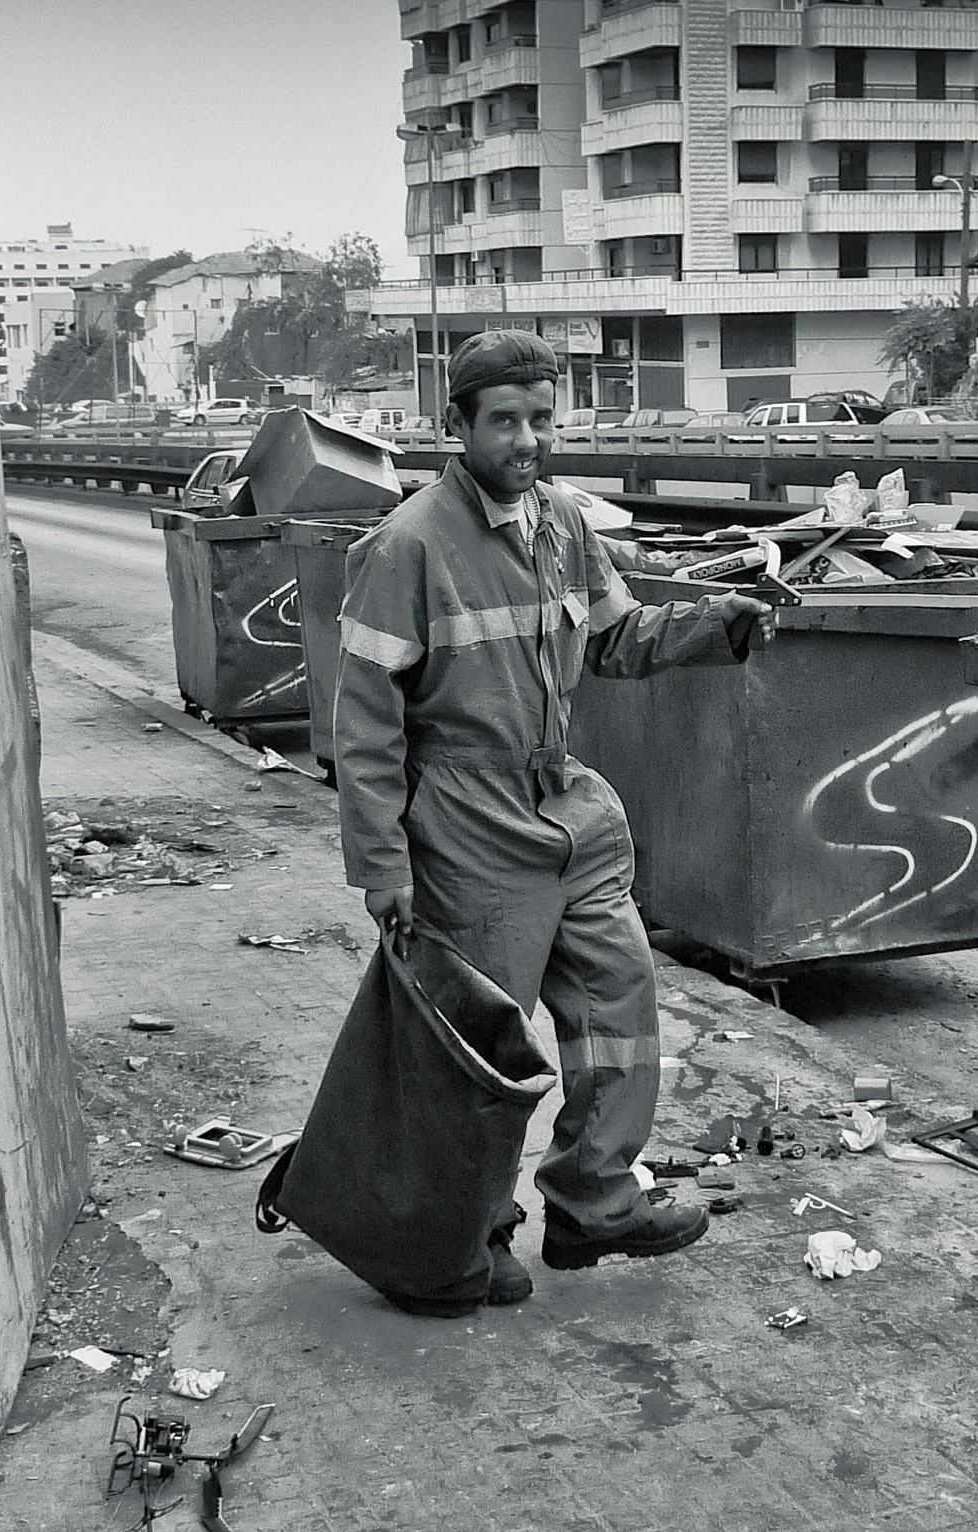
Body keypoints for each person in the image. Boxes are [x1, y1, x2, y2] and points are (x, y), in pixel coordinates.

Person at [333, 329, 774, 1308]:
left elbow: (615, 637)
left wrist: (721, 620)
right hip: (467, 826)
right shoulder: (408, 547)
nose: (527, 439)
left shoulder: (563, 523)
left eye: (541, 418)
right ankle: (473, 1228)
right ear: (455, 426)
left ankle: (592, 1198)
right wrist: (383, 867)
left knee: (619, 1004)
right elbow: (363, 727)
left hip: (565, 813)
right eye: (505, 421)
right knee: (484, 1048)